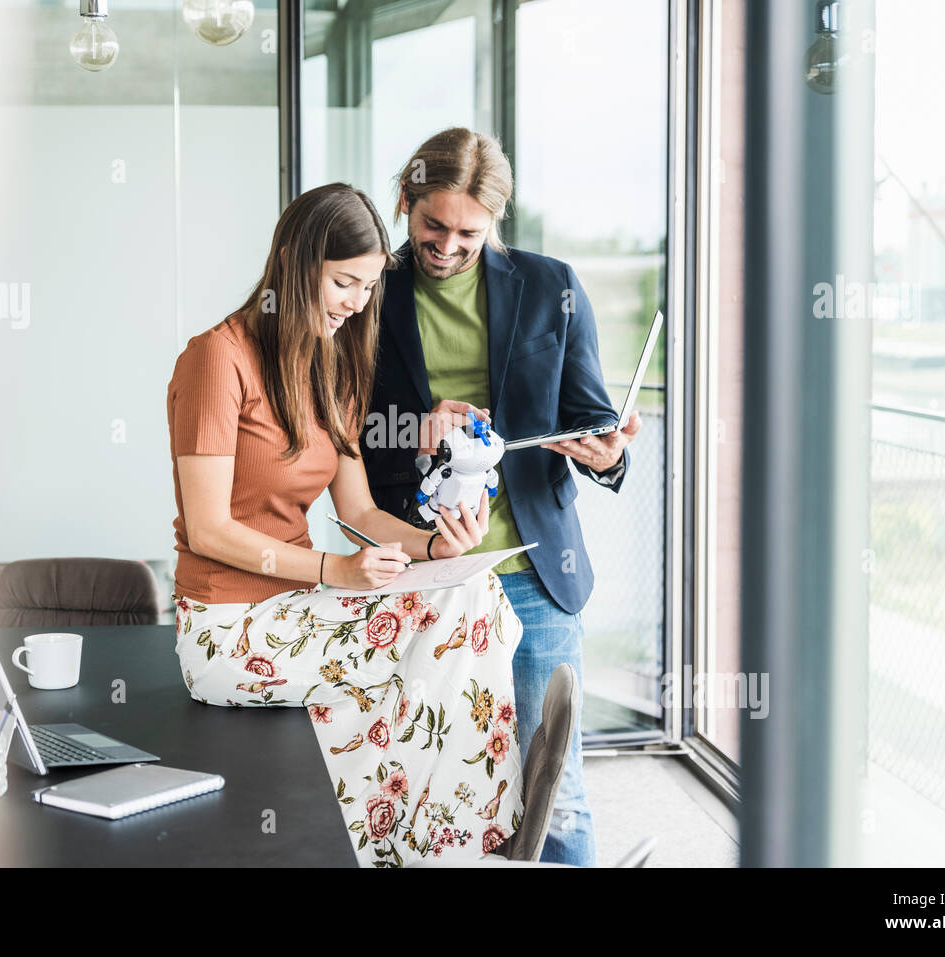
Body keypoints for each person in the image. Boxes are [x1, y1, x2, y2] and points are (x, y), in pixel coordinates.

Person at [167, 182, 525, 867]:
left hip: (301, 607)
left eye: (368, 286)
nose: (358, 303)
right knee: (453, 637)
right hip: (226, 628)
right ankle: (453, 849)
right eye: (343, 282)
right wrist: (338, 570)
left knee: (473, 590)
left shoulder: (330, 365)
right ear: (294, 263)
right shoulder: (215, 358)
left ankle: (425, 842)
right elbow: (208, 529)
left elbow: (359, 513)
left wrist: (435, 544)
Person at [361, 128, 643, 867]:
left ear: (495, 222)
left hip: (532, 574)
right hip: (419, 570)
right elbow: (341, 438)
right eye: (434, 225)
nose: (448, 247)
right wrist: (416, 433)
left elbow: (590, 416)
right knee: (427, 784)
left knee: (555, 791)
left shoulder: (551, 286)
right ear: (406, 200)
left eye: (470, 233)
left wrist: (608, 453)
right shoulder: (368, 293)